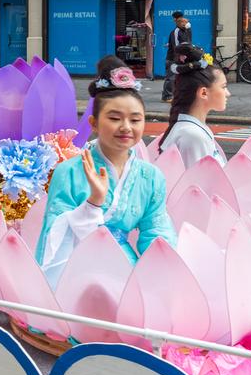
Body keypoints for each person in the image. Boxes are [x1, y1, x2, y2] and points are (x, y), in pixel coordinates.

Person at [37, 55, 177, 287]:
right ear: (93, 123)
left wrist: (164, 273)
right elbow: (54, 235)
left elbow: (156, 230)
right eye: (114, 118)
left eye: (135, 120)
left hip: (124, 267)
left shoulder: (150, 177)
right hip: (74, 268)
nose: (126, 128)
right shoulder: (69, 171)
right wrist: (93, 204)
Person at [157, 43, 251, 171]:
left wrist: (241, 170)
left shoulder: (192, 130)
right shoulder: (193, 135)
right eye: (223, 87)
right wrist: (241, 172)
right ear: (203, 93)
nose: (228, 93)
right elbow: (200, 187)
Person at [162, 11, 192, 102]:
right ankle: (167, 96)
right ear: (178, 22)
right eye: (183, 22)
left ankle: (177, 94)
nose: (185, 24)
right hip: (173, 58)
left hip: (181, 57)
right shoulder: (176, 31)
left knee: (179, 78)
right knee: (171, 78)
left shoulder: (185, 31)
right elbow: (177, 46)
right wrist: (178, 58)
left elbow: (188, 42)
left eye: (186, 22)